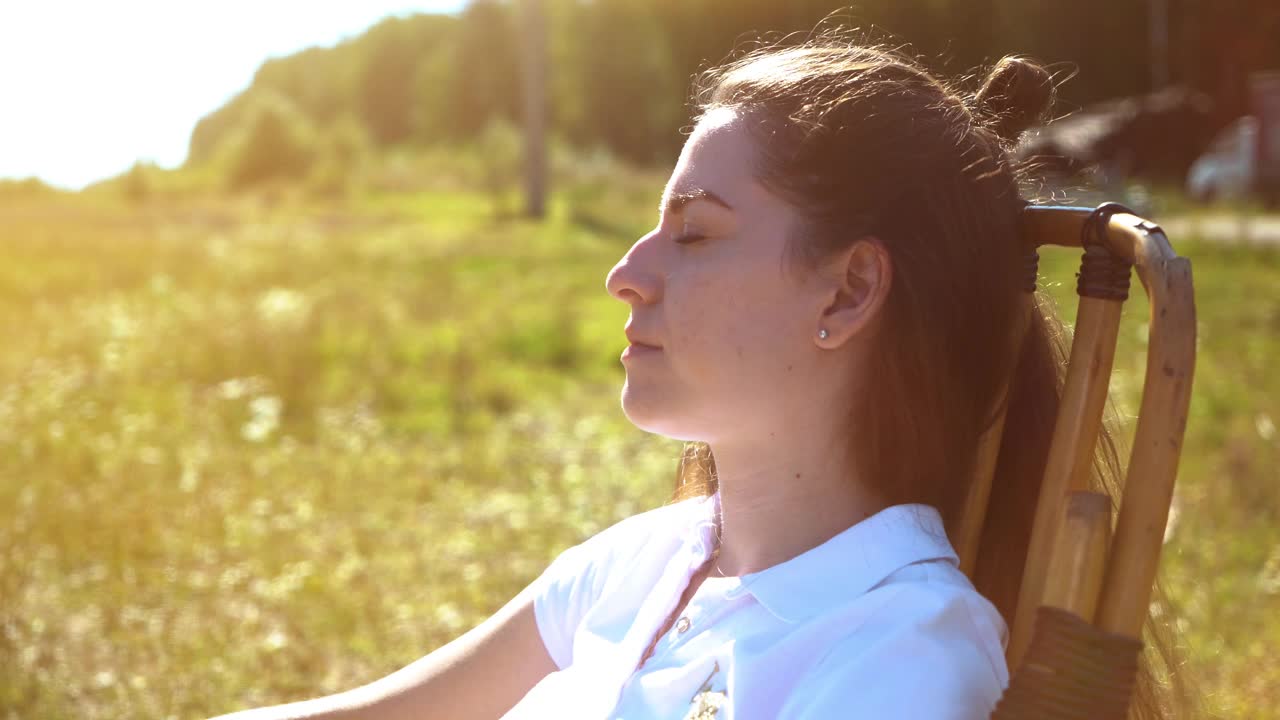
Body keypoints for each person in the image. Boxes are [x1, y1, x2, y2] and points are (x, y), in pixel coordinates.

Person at [212, 34, 1189, 720]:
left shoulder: (898, 659)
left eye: (694, 233)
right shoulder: (649, 561)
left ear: (847, 292)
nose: (625, 274)